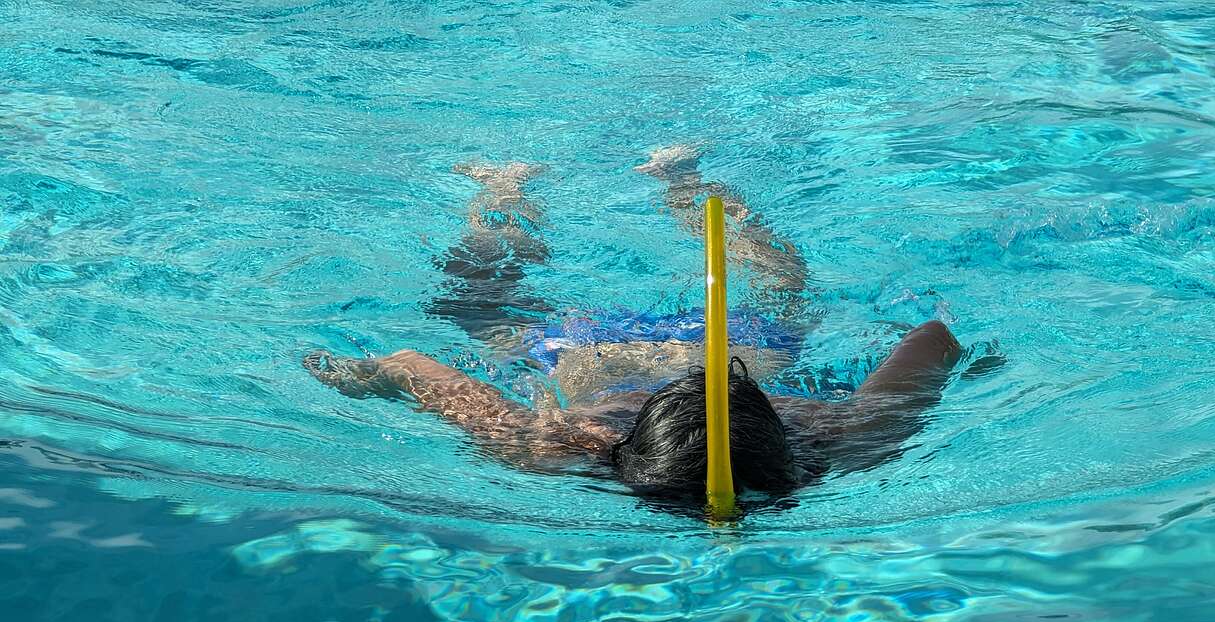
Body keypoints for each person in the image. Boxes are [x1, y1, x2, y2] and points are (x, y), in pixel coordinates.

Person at [305, 147, 1002, 501]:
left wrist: (971, 364)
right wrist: (368, 379)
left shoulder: (846, 437)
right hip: (581, 354)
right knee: (479, 304)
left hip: (741, 346)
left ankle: (545, 185)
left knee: (786, 291)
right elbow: (407, 361)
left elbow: (934, 338)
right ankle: (530, 184)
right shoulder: (553, 446)